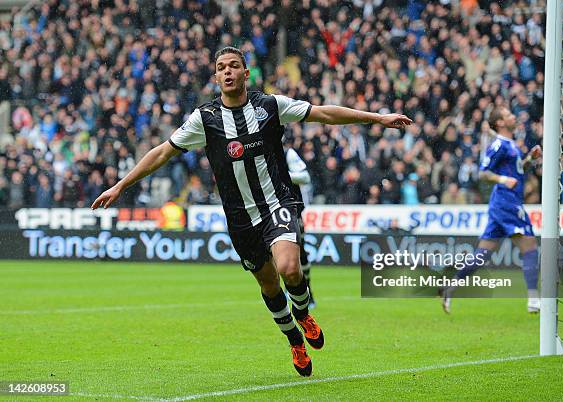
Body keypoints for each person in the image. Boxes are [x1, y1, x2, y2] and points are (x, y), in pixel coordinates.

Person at [92, 46, 412, 376]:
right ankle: (294, 341)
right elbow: (162, 153)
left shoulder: (270, 106)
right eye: (221, 67)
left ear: (246, 74)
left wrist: (377, 118)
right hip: (240, 220)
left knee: (289, 268)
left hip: (277, 203)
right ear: (216, 77)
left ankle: (302, 314)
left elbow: (324, 114)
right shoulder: (206, 119)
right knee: (270, 286)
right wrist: (120, 186)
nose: (228, 71)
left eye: (234, 66)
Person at [441, 106, 542, 314]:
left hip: (502, 203)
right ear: (501, 123)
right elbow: (483, 173)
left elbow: (517, 171)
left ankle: (449, 287)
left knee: (481, 256)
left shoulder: (511, 145)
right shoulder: (499, 145)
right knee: (530, 246)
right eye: (508, 115)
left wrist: (529, 160)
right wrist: (504, 180)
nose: (513, 116)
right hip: (507, 202)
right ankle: (534, 299)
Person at [284, 145, 316, 308]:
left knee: (300, 252)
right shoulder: (259, 152)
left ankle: (308, 292)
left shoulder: (287, 153)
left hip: (293, 210)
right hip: (272, 210)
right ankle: (286, 290)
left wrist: (283, 174)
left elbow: (305, 177)